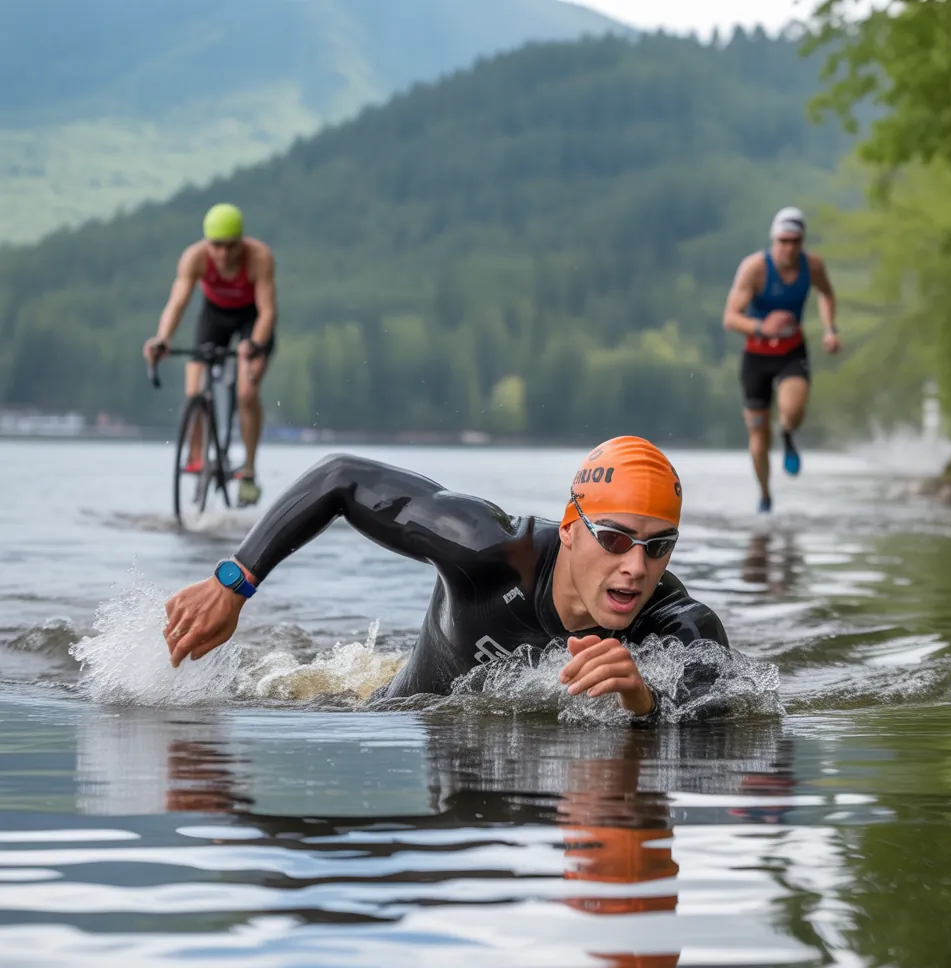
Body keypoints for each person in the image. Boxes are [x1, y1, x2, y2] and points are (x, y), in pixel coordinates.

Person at [162, 435, 729, 720]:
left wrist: (644, 703)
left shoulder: (679, 626)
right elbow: (341, 477)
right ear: (569, 529)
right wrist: (234, 582)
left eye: (659, 547)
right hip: (391, 718)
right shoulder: (489, 549)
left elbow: (717, 730)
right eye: (614, 538)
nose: (636, 567)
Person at [143, 202, 277, 507]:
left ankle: (249, 470)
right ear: (207, 243)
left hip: (252, 319)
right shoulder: (195, 258)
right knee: (194, 390)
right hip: (214, 317)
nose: (223, 254)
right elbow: (177, 304)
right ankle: (196, 457)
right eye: (216, 246)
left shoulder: (259, 257)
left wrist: (254, 344)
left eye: (231, 246)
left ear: (241, 241)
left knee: (246, 392)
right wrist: (162, 339)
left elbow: (268, 311)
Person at [722, 207, 841, 513]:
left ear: (802, 241)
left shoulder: (812, 266)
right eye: (784, 241)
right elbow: (731, 318)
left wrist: (830, 328)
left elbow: (826, 294)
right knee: (758, 437)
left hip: (791, 352)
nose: (789, 247)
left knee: (793, 410)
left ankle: (787, 433)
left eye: (795, 241)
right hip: (756, 357)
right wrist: (762, 327)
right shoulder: (755, 268)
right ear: (774, 239)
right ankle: (765, 496)